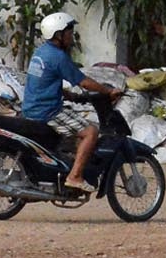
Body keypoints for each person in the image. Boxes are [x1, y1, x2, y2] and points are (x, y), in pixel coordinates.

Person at [20, 12, 119, 193]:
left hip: (31, 107)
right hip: (47, 111)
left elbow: (44, 81)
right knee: (91, 132)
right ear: (58, 35)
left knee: (74, 131)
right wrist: (108, 91)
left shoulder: (40, 52)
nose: (72, 36)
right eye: (69, 32)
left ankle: (68, 164)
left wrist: (67, 94)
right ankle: (74, 177)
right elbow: (84, 82)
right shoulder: (58, 57)